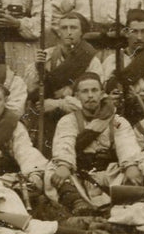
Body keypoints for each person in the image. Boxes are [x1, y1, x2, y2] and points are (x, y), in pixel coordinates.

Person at [48, 73, 144, 215]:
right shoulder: (69, 120)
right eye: (85, 91)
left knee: (143, 164)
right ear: (77, 95)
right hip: (80, 172)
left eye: (94, 90)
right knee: (52, 170)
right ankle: (77, 202)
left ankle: (129, 198)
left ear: (102, 94)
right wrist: (64, 165)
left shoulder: (117, 121)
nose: (90, 95)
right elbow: (64, 142)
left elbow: (126, 143)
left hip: (108, 172)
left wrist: (130, 165)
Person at [29, 11, 100, 151]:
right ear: (59, 32)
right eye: (64, 28)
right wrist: (38, 68)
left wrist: (58, 103)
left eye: (73, 28)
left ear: (81, 32)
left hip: (78, 118)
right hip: (47, 116)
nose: (68, 32)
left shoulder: (91, 60)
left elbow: (93, 100)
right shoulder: (46, 56)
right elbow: (31, 92)